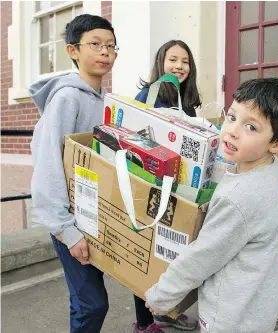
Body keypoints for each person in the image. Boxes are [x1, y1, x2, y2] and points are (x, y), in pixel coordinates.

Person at [145, 78, 278, 333]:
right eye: (231, 117)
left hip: (230, 319)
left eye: (251, 127)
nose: (232, 131)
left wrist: (160, 297)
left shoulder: (240, 197)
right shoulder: (273, 172)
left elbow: (201, 257)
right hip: (258, 310)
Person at [29, 14, 118, 332]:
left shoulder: (108, 102)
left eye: (110, 45)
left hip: (94, 215)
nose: (104, 52)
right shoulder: (67, 98)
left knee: (84, 301)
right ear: (73, 50)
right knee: (93, 304)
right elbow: (48, 165)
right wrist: (66, 230)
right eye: (95, 44)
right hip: (70, 220)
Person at [132, 40, 201, 332]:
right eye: (173, 59)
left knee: (169, 254)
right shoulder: (148, 96)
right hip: (151, 184)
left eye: (184, 61)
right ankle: (145, 322)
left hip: (179, 187)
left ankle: (166, 311)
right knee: (146, 255)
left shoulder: (189, 102)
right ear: (161, 62)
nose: (179, 66)